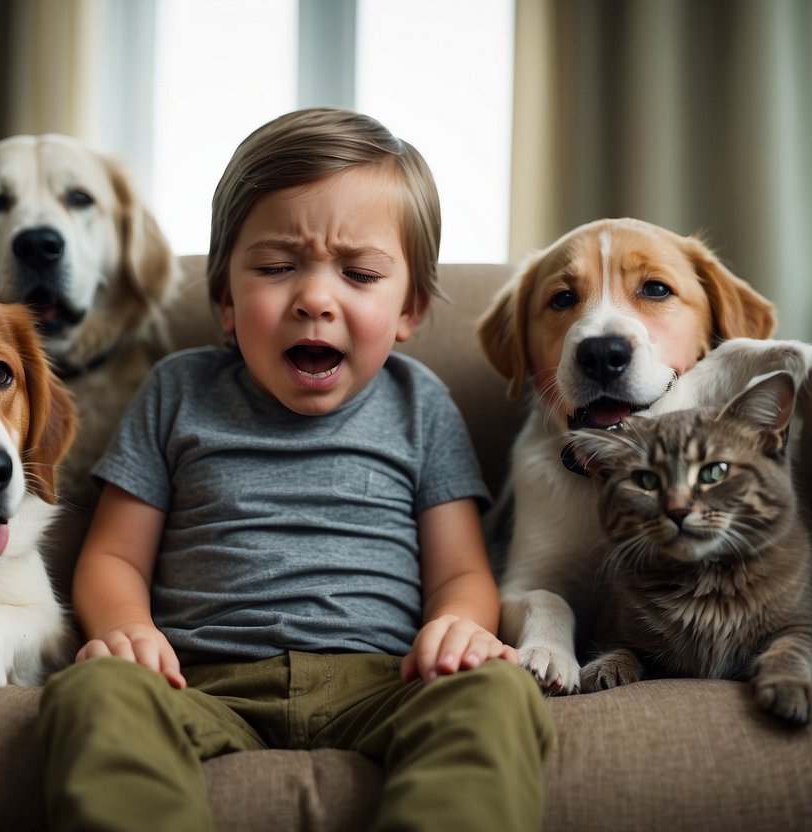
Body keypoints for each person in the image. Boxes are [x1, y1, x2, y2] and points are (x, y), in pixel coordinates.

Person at [38, 107, 554, 832]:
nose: (314, 298)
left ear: (409, 307)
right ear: (224, 299)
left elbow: (461, 573)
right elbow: (113, 555)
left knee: (497, 693)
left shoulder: (420, 405)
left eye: (359, 273)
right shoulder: (178, 391)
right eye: (277, 268)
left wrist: (458, 628)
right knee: (92, 693)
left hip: (386, 678)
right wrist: (128, 632)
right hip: (199, 678)